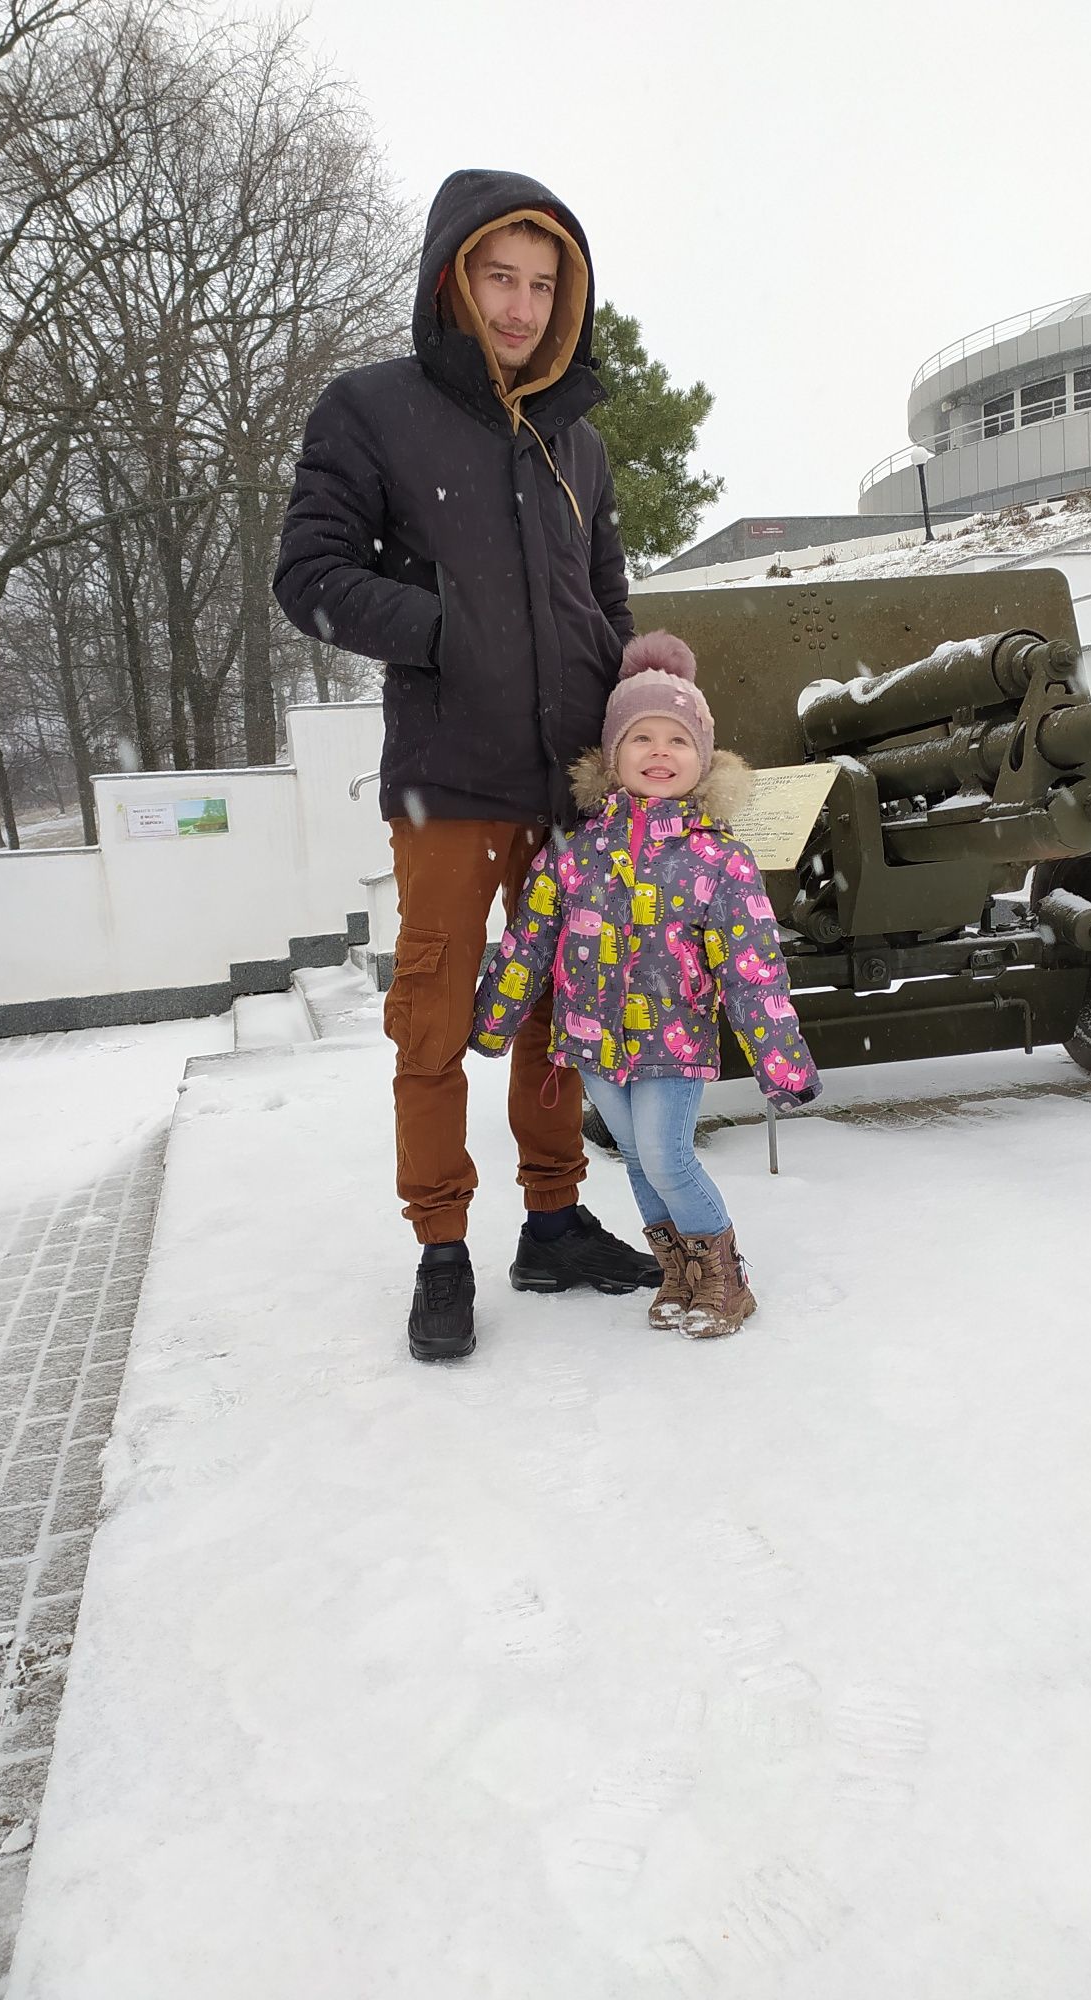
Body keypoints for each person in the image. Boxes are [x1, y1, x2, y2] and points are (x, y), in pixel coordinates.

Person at [273, 168, 659, 1366]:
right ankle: (442, 1246)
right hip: (447, 781)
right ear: (454, 276)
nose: (522, 306)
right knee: (434, 1020)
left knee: (554, 1013)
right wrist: (444, 631)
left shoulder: (575, 439)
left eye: (545, 285)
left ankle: (551, 1220)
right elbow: (310, 576)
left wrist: (637, 710)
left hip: (566, 786)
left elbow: (606, 597)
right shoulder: (370, 410)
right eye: (501, 277)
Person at [469, 631, 822, 1338]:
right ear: (612, 757)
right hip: (595, 1040)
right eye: (641, 738)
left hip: (673, 1039)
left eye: (678, 740)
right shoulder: (575, 851)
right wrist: (493, 1019)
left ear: (703, 758)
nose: (660, 753)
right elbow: (529, 942)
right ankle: (677, 1273)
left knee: (667, 1155)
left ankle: (724, 1275)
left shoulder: (719, 858)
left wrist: (780, 1061)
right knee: (635, 1158)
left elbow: (754, 971)